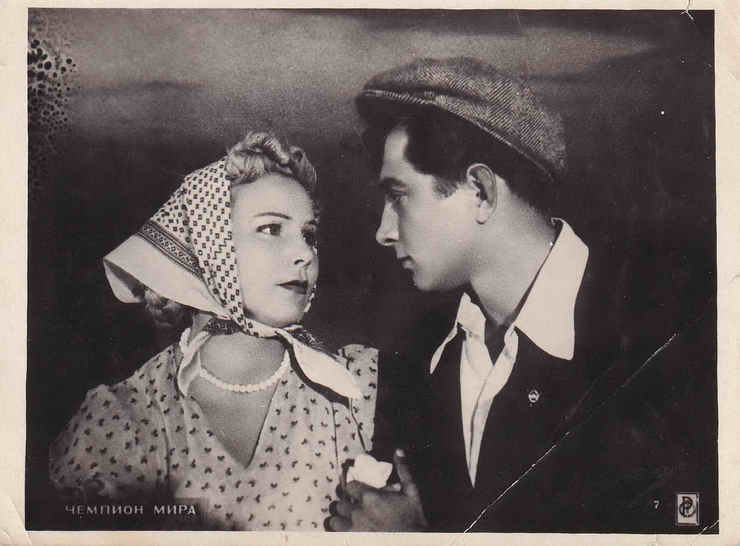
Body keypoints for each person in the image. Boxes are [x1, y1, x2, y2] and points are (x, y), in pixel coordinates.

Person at [328, 57, 717, 532]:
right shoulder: (421, 352)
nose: (383, 231)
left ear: (480, 192)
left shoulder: (672, 345)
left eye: (399, 196)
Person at [48, 131, 379, 531]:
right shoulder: (125, 418)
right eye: (271, 229)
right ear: (204, 246)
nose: (304, 253)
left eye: (309, 235)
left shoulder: (356, 388)